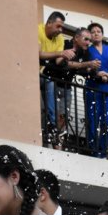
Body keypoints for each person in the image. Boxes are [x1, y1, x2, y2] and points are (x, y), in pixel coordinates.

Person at [85, 22, 108, 157]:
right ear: (90, 35)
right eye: (93, 32)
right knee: (93, 120)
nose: (96, 34)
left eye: (98, 31)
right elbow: (85, 67)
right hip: (93, 88)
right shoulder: (87, 49)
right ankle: (93, 152)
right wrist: (96, 73)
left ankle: (102, 150)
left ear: (102, 34)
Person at [39, 11, 75, 140]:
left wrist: (68, 56)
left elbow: (58, 60)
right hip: (32, 74)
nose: (60, 30)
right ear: (49, 23)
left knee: (51, 106)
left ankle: (53, 128)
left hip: (45, 76)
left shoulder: (59, 38)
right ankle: (48, 130)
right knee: (41, 107)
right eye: (58, 26)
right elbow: (38, 53)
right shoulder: (38, 30)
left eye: (62, 27)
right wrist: (61, 53)